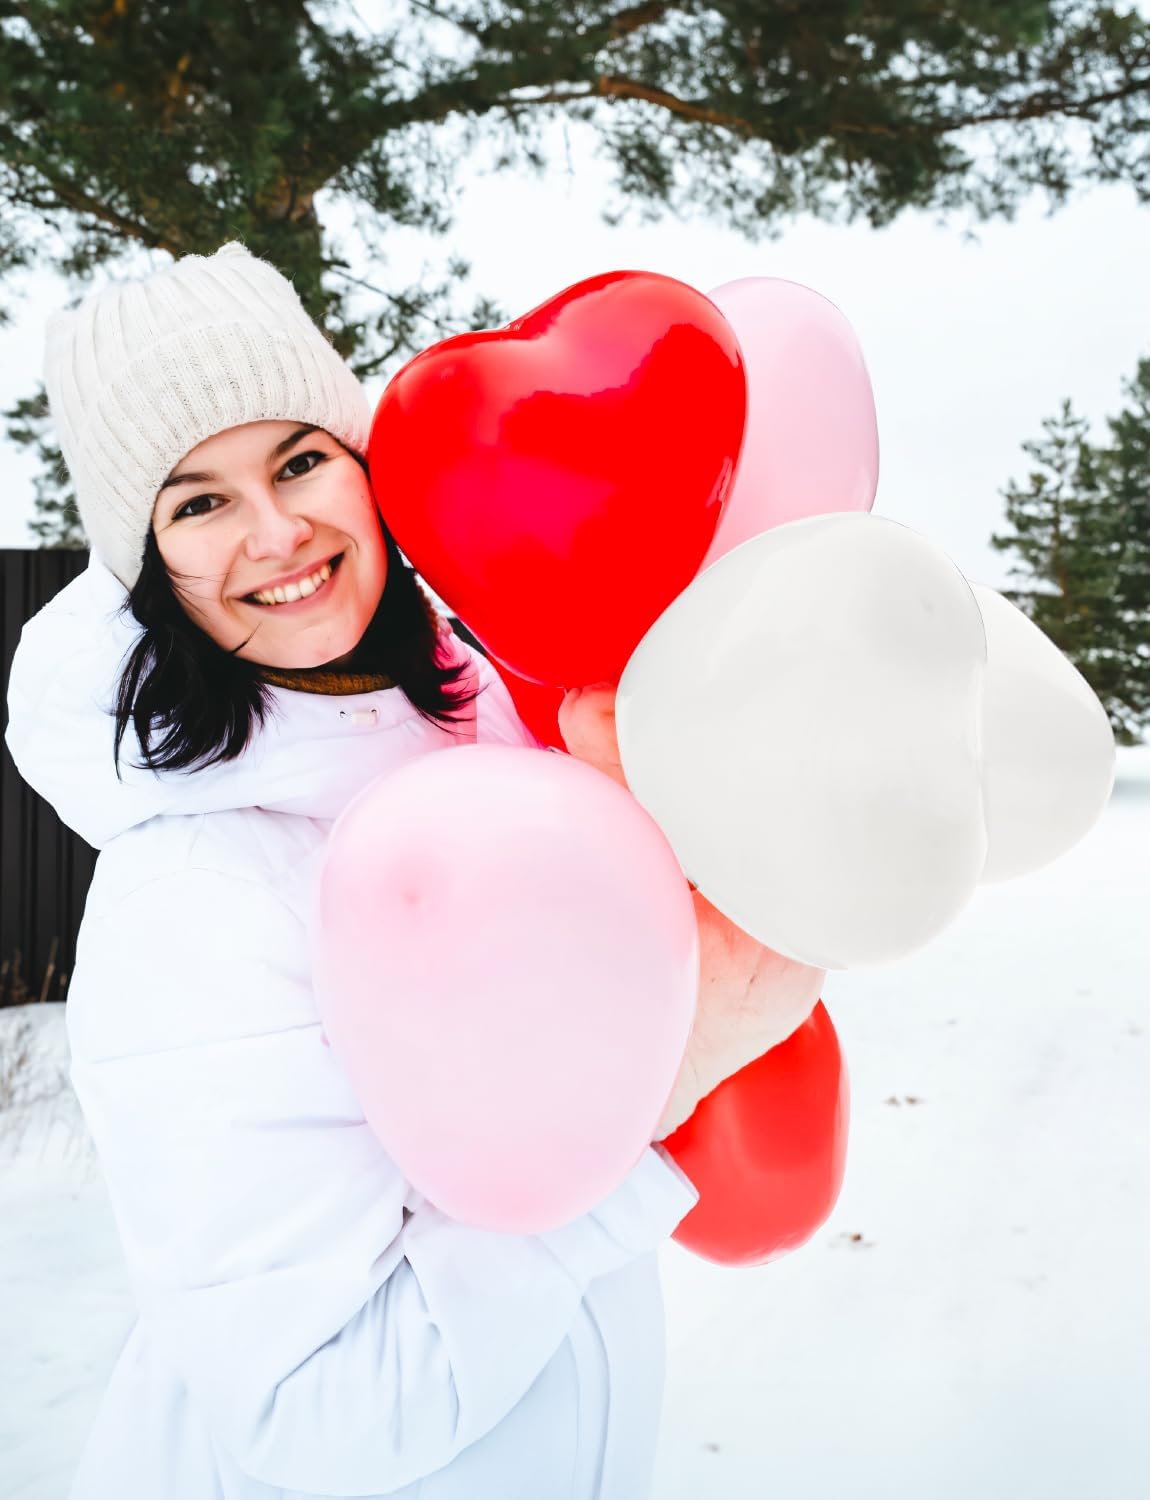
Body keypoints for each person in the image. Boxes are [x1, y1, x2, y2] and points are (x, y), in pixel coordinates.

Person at [5, 242, 824, 1499]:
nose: (276, 532)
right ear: (147, 562)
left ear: (363, 464)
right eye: (197, 501)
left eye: (298, 460)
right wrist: (662, 1085)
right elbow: (317, 1419)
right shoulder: (197, 899)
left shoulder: (502, 717)